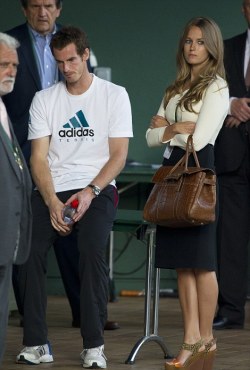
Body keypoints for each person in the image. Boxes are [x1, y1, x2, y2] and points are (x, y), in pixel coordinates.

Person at [16, 26, 133, 367]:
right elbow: (38, 158)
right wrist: (52, 202)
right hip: (53, 188)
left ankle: (93, 346)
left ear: (85, 55)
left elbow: (119, 155)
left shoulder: (114, 95)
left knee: (91, 248)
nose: (66, 68)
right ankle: (37, 343)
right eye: (59, 62)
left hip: (97, 188)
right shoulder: (44, 99)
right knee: (29, 251)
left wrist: (90, 191)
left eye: (71, 60)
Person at [3, 0, 118, 331]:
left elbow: (90, 99)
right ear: (24, 9)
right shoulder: (7, 44)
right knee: (27, 238)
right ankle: (31, 318)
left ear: (59, 8)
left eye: (49, 5)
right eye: (35, 5)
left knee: (77, 238)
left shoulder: (75, 46)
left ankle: (88, 314)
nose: (42, 12)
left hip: (73, 157)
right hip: (24, 153)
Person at [146, 17, 229, 370]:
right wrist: (176, 129)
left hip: (199, 177)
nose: (192, 47)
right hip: (172, 177)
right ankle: (190, 339)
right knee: (182, 266)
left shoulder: (218, 87)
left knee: (203, 264)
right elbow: (149, 138)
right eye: (188, 41)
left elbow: (204, 137)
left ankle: (207, 338)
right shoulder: (173, 89)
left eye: (199, 42)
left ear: (211, 47)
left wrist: (169, 129)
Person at [213, 0, 250, 330]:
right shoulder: (226, 49)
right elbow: (205, 90)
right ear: (244, 8)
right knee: (231, 239)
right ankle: (231, 310)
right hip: (232, 159)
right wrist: (231, 104)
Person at [0, 32, 32, 367]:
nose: (11, 71)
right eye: (4, 65)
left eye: (15, 66)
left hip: (7, 238)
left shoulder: (4, 109)